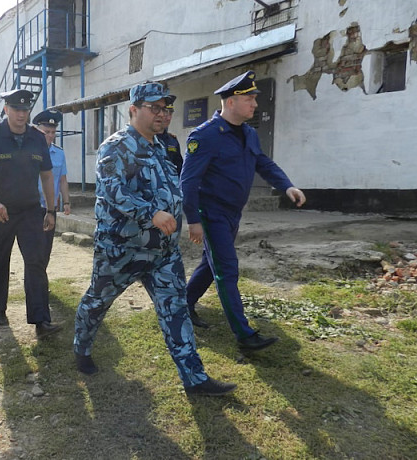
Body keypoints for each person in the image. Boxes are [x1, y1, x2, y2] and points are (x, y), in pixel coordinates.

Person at [73, 82, 237, 396]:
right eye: (155, 108)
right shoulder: (115, 147)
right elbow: (111, 192)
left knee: (176, 310)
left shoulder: (163, 146)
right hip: (121, 251)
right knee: (97, 302)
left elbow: (173, 187)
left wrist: (187, 215)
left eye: (167, 108)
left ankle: (195, 378)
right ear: (133, 110)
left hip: (162, 252)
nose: (163, 114)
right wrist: (151, 213)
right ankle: (82, 348)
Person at [180, 70, 306, 350]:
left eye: (254, 98)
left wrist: (287, 186)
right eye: (249, 98)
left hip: (233, 213)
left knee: (210, 265)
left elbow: (263, 163)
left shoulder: (249, 133)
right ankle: (244, 336)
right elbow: (188, 181)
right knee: (227, 269)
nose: (255, 104)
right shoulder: (205, 135)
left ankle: (183, 304)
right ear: (231, 102)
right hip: (211, 213)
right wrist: (193, 220)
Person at [0, 89, 62, 338]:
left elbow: (46, 175)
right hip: (0, 212)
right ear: (6, 110)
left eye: (25, 110)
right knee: (0, 260)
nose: (21, 114)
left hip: (30, 211)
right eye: (16, 109)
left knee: (35, 261)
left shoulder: (36, 137)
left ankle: (41, 320)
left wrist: (51, 210)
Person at [33, 108, 71, 268]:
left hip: (50, 208)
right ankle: (35, 283)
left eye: (53, 132)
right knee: (33, 248)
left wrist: (67, 202)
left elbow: (62, 180)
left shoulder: (59, 153)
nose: (50, 135)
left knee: (47, 247)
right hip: (32, 207)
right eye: (46, 131)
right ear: (37, 130)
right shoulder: (30, 152)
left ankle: (41, 280)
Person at [156, 95, 183, 177]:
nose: (168, 118)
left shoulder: (172, 141)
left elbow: (180, 170)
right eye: (165, 113)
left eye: (170, 113)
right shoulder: (146, 139)